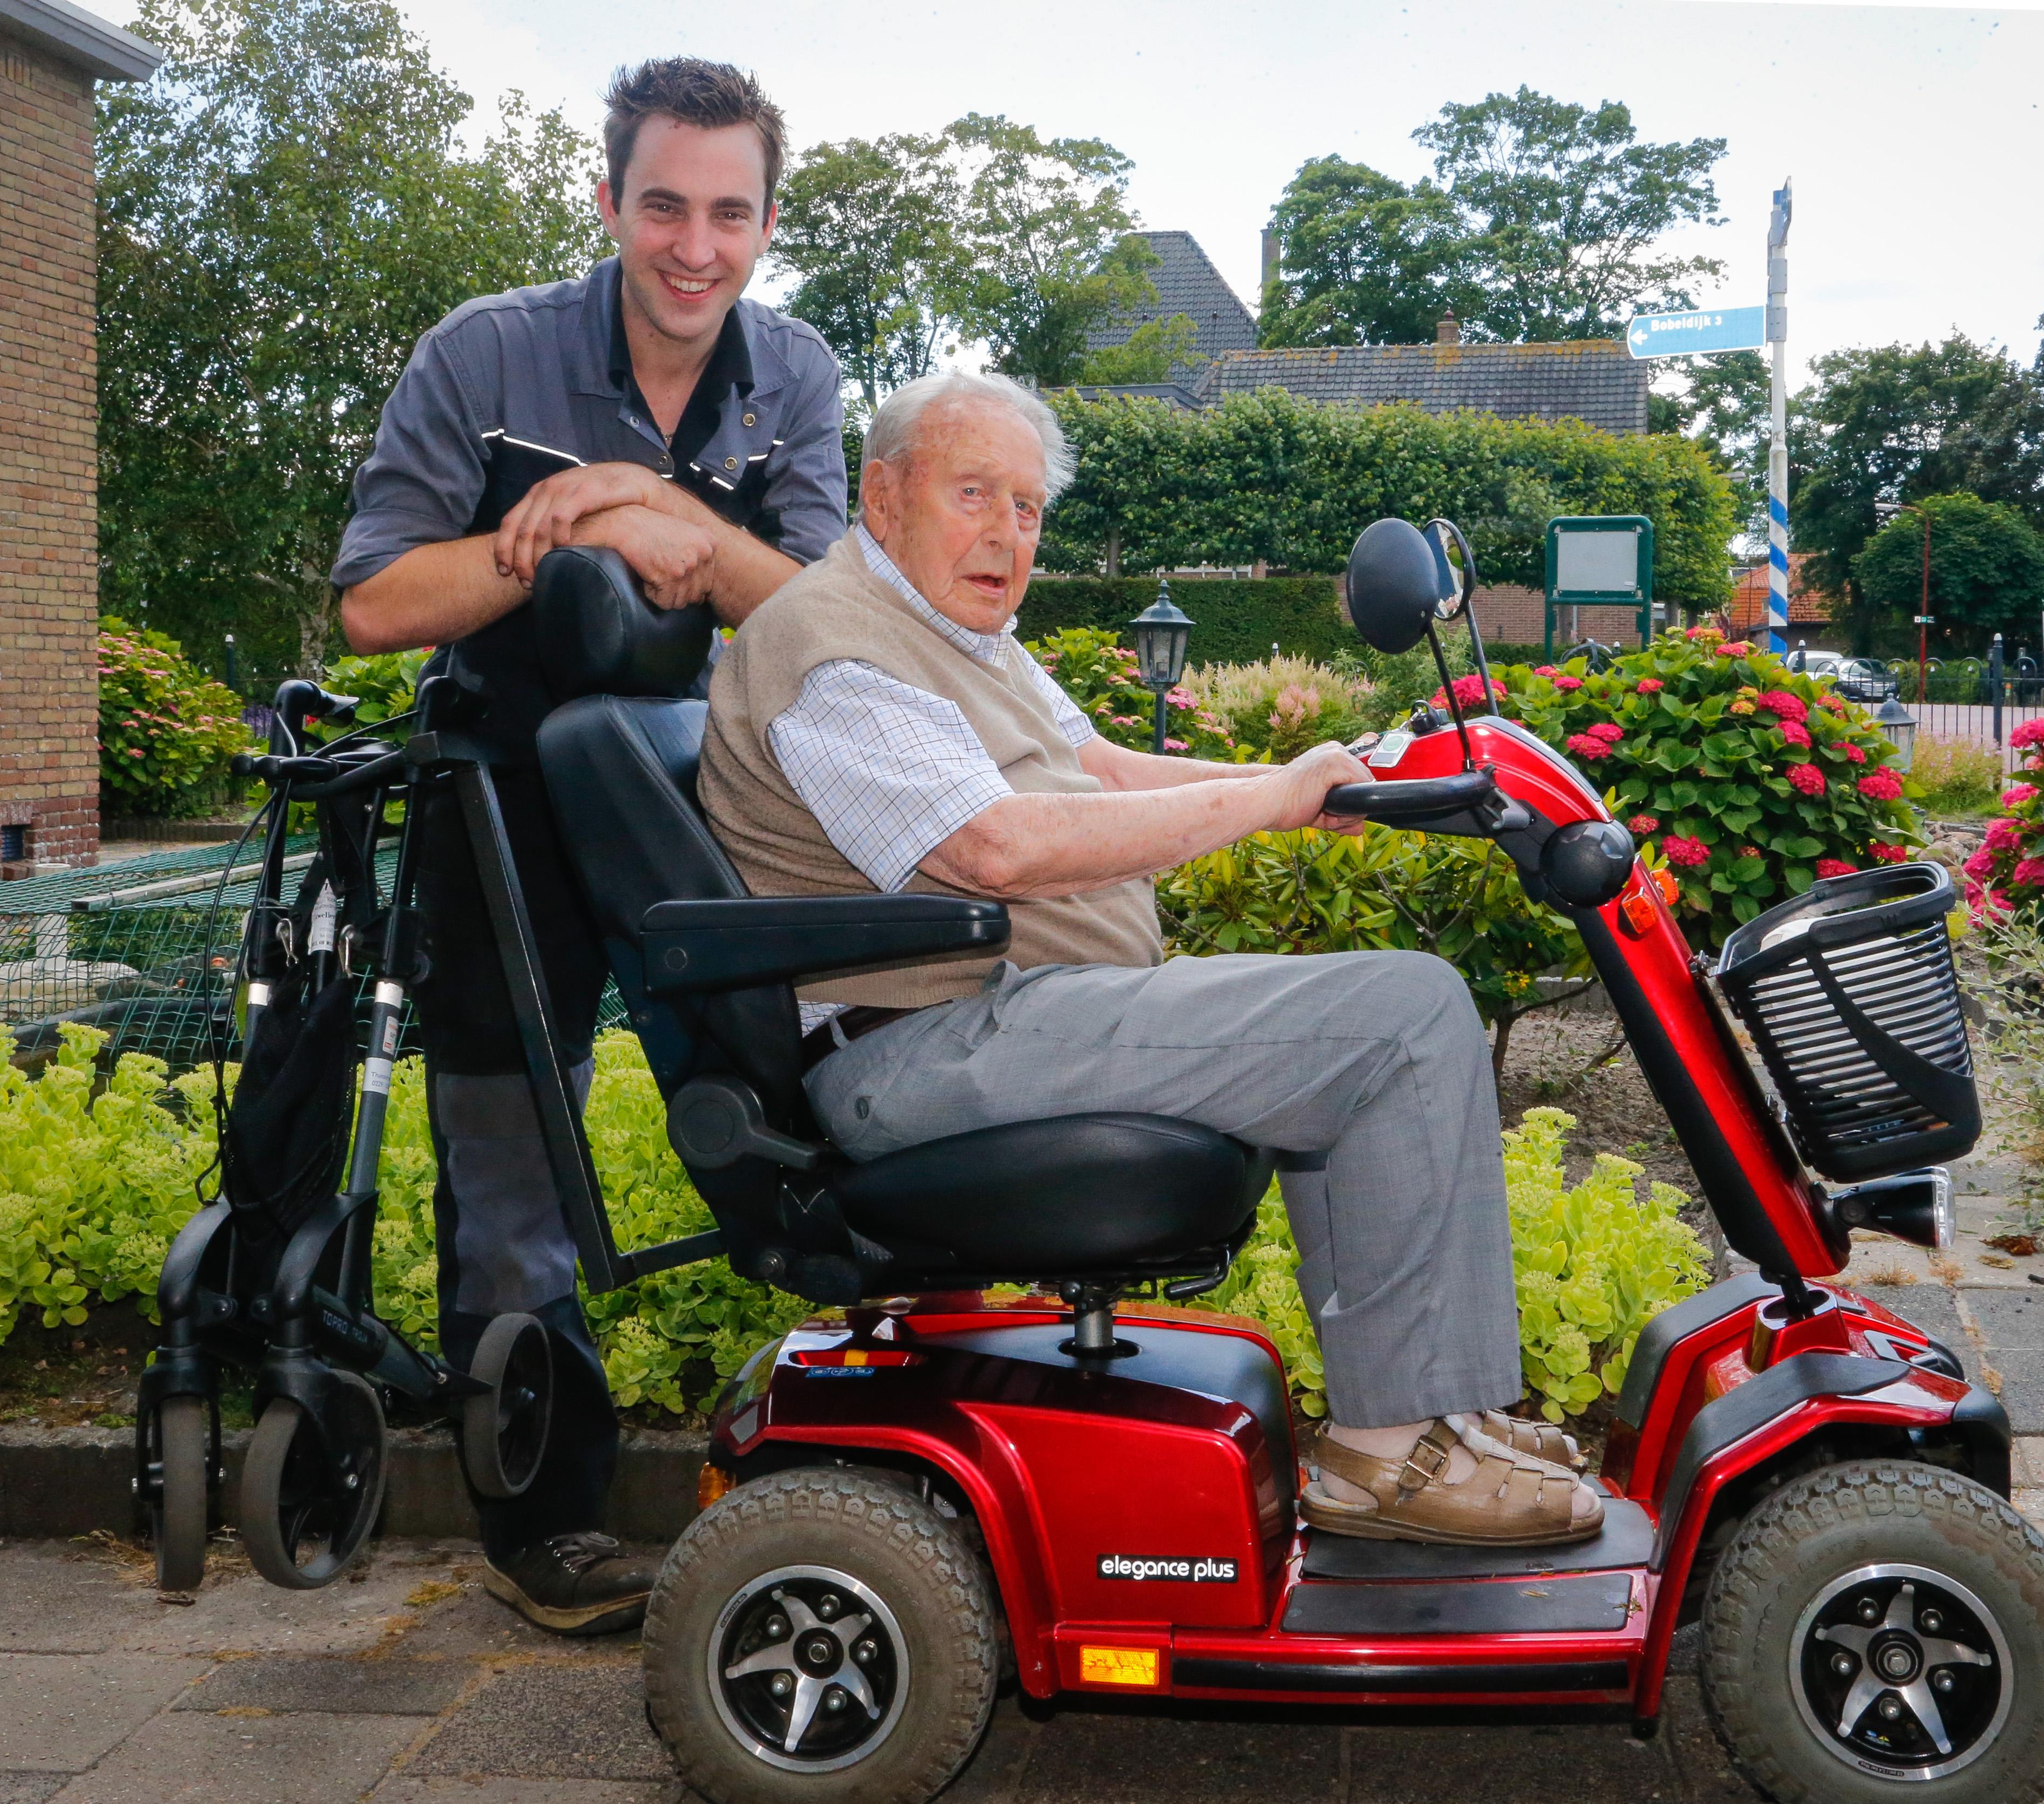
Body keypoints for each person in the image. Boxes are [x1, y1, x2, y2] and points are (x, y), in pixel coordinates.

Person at [696, 371, 1605, 1547]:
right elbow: (997, 845)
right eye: (975, 494)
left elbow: (1103, 769)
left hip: (1009, 1018)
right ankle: (1393, 1452)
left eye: (1027, 509)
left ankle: (1432, 1411)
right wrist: (1271, 797)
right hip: (926, 1042)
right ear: (882, 496)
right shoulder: (834, 649)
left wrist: (1320, 784)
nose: (1007, 534)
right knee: (1408, 1012)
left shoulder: (954, 634)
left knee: (1374, 1027)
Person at [330, 57, 847, 1632]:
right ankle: (541, 1519)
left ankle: (837, 1451)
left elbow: (835, 623)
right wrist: (553, 532)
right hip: (498, 794)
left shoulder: (799, 377)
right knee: (508, 1164)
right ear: (610, 201)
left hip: (708, 788)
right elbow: (369, 605)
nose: (696, 247)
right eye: (665, 205)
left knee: (796, 1103)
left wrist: (658, 502)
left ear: (766, 220)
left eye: (731, 213)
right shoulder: (484, 353)